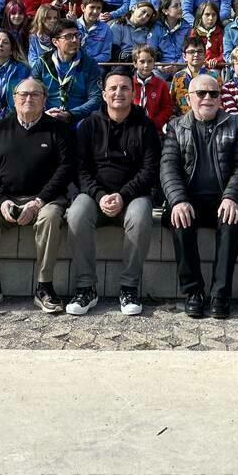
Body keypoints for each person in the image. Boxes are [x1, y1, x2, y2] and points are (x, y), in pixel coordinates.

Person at [0, 77, 72, 314]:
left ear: (45, 100)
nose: (29, 99)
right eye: (23, 94)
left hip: (45, 199)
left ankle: (44, 286)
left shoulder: (59, 130)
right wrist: (1, 199)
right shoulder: (0, 129)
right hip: (5, 198)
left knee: (50, 218)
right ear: (14, 100)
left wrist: (38, 202)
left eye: (35, 94)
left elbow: (65, 169)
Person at [66, 67, 160, 317]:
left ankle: (129, 287)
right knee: (76, 213)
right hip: (95, 196)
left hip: (132, 197)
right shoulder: (88, 126)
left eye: (125, 88)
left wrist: (123, 195)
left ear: (133, 92)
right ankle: (86, 287)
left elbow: (150, 170)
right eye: (113, 88)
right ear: (104, 94)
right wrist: (99, 195)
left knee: (141, 215)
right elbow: (80, 169)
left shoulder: (146, 126)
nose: (119, 92)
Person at [160, 72, 238, 318]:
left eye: (214, 93)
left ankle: (221, 294)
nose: (207, 98)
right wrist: (178, 200)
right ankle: (193, 292)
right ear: (189, 98)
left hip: (223, 199)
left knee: (232, 219)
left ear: (221, 98)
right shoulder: (176, 127)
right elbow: (168, 167)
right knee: (178, 218)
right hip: (189, 199)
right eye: (201, 93)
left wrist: (231, 196)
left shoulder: (236, 125)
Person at [29, 18, 103, 125]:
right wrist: (44, 113)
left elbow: (96, 98)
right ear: (55, 42)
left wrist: (71, 114)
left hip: (78, 120)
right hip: (47, 117)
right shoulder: (43, 63)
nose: (74, 40)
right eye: (68, 36)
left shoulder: (89, 64)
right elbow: (32, 91)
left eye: (77, 35)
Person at [0, 29, 31, 126]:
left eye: (5, 42)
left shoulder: (22, 70)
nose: (0, 44)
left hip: (13, 122)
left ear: (11, 51)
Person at [131, 44, 174, 130]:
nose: (146, 65)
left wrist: (155, 123)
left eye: (150, 61)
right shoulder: (129, 84)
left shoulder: (161, 85)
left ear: (154, 63)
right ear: (135, 63)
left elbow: (167, 108)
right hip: (132, 127)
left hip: (154, 128)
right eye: (142, 62)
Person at [169, 36, 216, 114]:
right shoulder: (178, 76)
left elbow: (219, 100)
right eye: (191, 52)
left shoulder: (213, 76)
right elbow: (171, 101)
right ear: (184, 56)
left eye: (200, 51)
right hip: (183, 120)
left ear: (205, 54)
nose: (196, 54)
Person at [77, 0, 115, 64]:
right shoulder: (74, 25)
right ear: (83, 8)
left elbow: (106, 55)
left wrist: (88, 61)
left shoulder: (106, 29)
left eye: (99, 8)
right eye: (92, 7)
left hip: (95, 66)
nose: (95, 11)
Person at [151, 0, 189, 67]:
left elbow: (189, 50)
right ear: (165, 11)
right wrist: (158, 66)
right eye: (175, 6)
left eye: (180, 5)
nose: (180, 8)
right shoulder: (156, 27)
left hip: (182, 66)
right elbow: (150, 51)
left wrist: (178, 66)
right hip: (161, 67)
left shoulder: (187, 27)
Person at [188, 1, 224, 69]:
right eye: (207, 14)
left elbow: (223, 53)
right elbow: (191, 52)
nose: (211, 18)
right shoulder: (194, 33)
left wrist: (216, 60)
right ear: (200, 16)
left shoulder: (220, 32)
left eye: (214, 15)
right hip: (197, 67)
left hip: (215, 68)